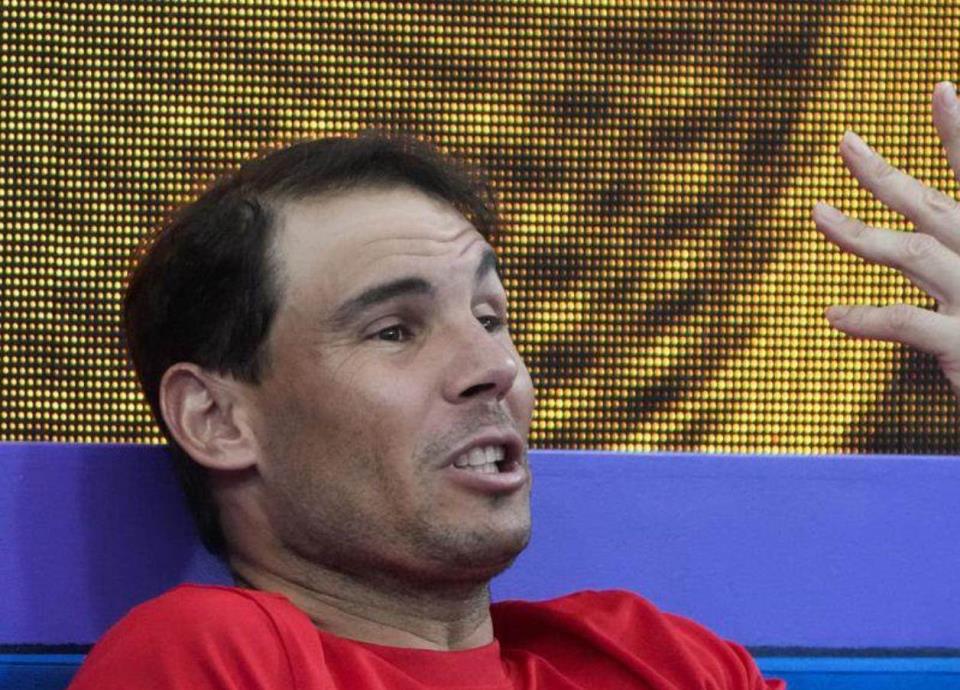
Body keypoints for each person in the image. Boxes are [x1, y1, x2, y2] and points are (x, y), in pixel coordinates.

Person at [67, 82, 960, 690]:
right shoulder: (211, 656)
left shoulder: (658, 661)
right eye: (394, 330)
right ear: (217, 418)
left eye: (491, 318)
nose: (495, 368)